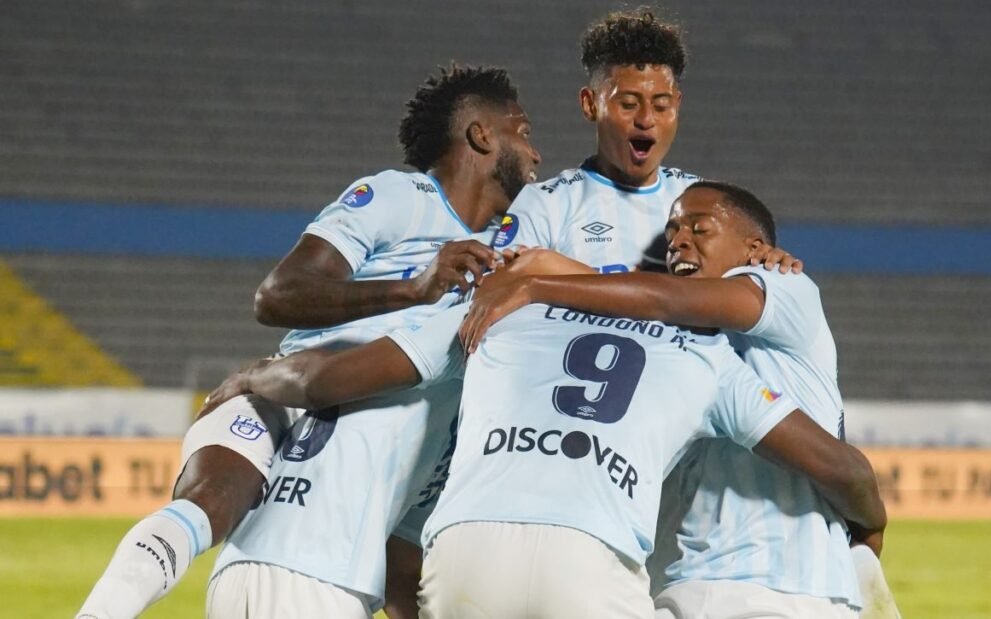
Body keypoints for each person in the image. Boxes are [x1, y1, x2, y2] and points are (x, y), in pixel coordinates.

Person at [75, 64, 540, 619]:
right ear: (482, 135)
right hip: (285, 393)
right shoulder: (398, 196)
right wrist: (411, 289)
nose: (535, 153)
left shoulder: (505, 257)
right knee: (208, 502)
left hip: (351, 433)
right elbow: (278, 296)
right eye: (523, 132)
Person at [203, 254, 886, 618]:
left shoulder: (493, 311)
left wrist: (255, 374)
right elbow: (839, 467)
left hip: (464, 550)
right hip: (590, 557)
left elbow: (329, 378)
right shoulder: (709, 357)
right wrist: (869, 524)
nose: (679, 243)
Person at [459, 180, 901, 618]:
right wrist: (546, 266)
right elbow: (650, 304)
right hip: (674, 584)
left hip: (778, 589)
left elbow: (665, 300)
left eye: (699, 228)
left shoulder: (783, 286)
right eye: (672, 233)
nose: (678, 242)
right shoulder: (667, 343)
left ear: (755, 248)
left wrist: (538, 285)